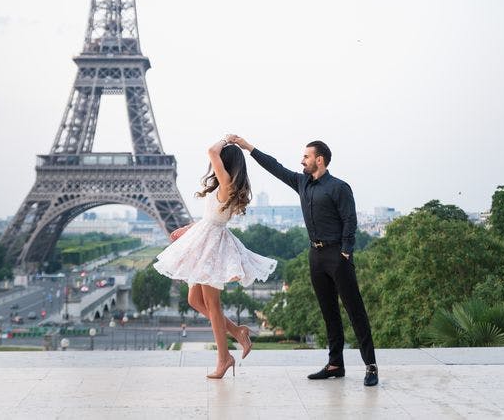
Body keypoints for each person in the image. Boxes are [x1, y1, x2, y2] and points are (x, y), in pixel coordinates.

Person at [228, 135, 378, 387]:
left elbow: (350, 221)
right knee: (329, 312)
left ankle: (371, 366)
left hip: (336, 255)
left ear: (319, 160)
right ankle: (335, 364)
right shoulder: (302, 183)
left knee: (355, 311)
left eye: (306, 157)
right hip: (315, 255)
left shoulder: (339, 187)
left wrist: (345, 252)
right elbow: (275, 167)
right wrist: (247, 146)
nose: (302, 161)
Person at [153, 138, 277, 379]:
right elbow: (211, 217)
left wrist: (228, 140)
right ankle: (237, 332)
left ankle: (224, 358)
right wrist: (189, 229)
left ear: (225, 163)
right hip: (205, 239)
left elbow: (211, 150)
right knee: (194, 299)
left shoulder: (227, 184)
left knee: (212, 304)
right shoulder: (225, 187)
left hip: (211, 247)